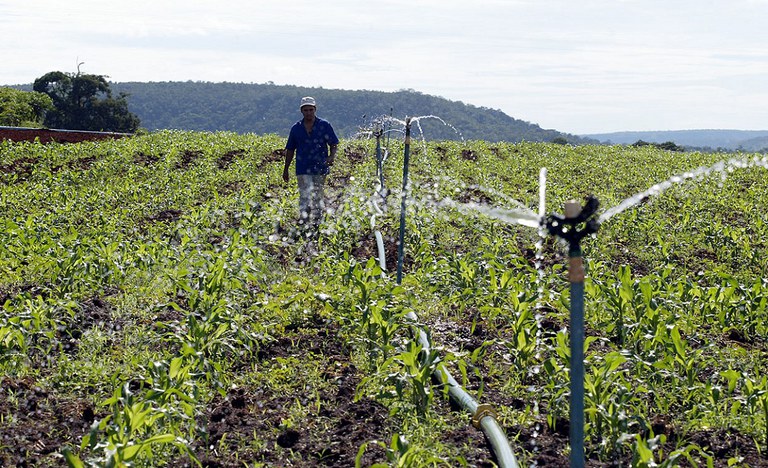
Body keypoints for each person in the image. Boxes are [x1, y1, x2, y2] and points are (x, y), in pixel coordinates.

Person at [283, 96, 339, 230]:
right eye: (306, 110)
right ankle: (304, 221)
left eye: (311, 110)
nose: (308, 112)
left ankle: (317, 222)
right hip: (302, 167)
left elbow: (334, 143)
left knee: (317, 195)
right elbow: (290, 149)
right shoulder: (296, 128)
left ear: (315, 109)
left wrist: (331, 156)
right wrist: (286, 169)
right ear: (301, 111)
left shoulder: (324, 125)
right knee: (305, 195)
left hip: (320, 167)